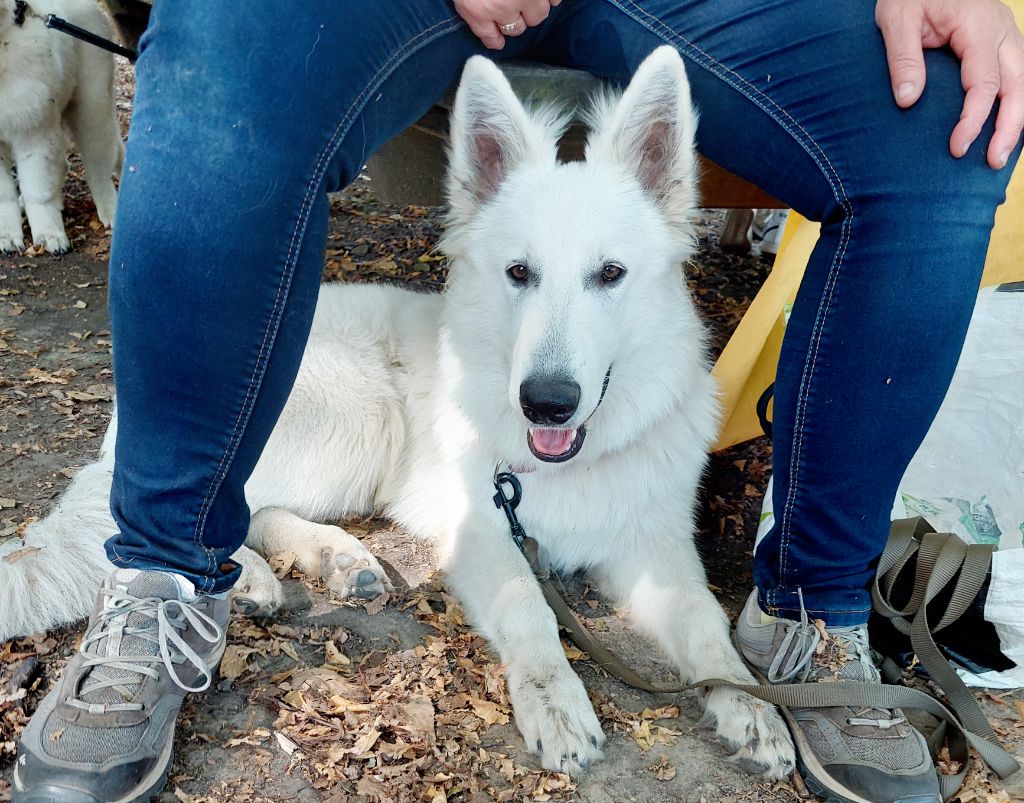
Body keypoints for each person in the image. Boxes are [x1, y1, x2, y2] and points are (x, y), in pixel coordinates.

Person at [12, 1, 1024, 801]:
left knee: (942, 121)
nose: (555, 354)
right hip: (371, 347)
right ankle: (160, 569)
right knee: (218, 50)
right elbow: (465, 522)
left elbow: (653, 552)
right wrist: (535, 656)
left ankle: (807, 606)